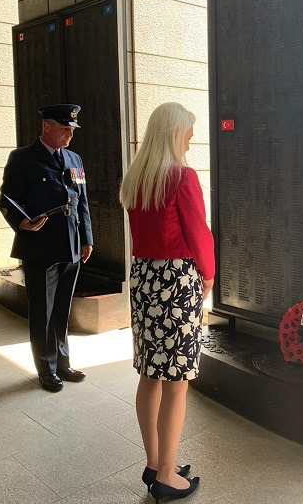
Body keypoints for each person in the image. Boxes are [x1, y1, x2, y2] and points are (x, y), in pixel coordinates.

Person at [119, 102, 214, 502]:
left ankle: (157, 462)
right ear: (175, 133)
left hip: (144, 279)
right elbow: (198, 233)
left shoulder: (137, 178)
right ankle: (166, 478)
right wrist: (208, 275)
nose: (190, 144)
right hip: (176, 284)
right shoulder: (182, 177)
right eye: (188, 135)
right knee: (178, 381)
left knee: (151, 375)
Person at [0, 104, 93, 392]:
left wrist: (87, 238)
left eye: (72, 130)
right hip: (39, 245)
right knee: (42, 311)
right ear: (47, 127)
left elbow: (82, 202)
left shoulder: (74, 158)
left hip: (72, 244)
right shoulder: (24, 158)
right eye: (64, 129)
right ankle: (46, 368)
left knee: (63, 309)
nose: (69, 135)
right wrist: (21, 223)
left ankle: (63, 363)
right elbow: (6, 199)